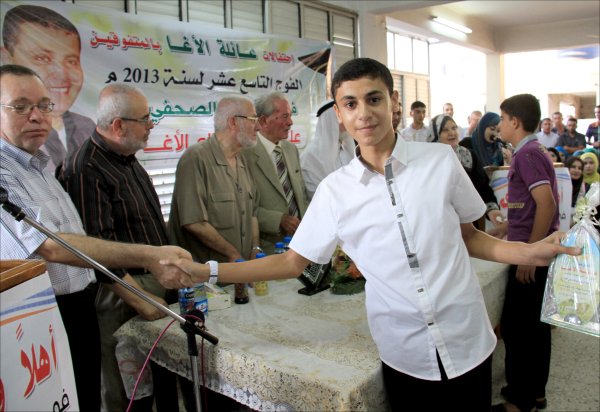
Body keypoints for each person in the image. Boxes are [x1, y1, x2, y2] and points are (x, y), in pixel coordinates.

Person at [159, 58, 579, 412]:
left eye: (374, 99)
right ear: (339, 116)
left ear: (393, 102)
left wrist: (526, 252)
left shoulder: (440, 161)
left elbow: (470, 237)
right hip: (405, 353)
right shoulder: (335, 191)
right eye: (350, 103)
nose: (364, 113)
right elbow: (291, 261)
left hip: (467, 338)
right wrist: (207, 270)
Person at [0, 64, 192, 411]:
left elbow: (77, 235)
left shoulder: (38, 165)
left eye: (44, 105)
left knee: (87, 395)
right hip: (44, 315)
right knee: (108, 393)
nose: (37, 116)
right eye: (21, 106)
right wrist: (148, 259)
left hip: (80, 305)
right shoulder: (27, 170)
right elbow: (52, 246)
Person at [57, 84, 180, 411]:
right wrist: (139, 297)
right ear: (118, 125)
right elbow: (95, 252)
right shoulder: (85, 169)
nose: (151, 125)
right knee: (128, 391)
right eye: (145, 119)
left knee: (161, 380)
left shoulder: (126, 158)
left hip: (152, 287)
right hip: (123, 294)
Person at [494, 93, 560, 412]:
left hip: (530, 255)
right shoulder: (530, 152)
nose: (500, 125)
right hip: (530, 248)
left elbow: (546, 204)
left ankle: (520, 401)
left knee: (518, 328)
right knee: (534, 326)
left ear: (515, 122)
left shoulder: (527, 155)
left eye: (502, 119)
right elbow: (529, 207)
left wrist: (530, 254)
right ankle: (534, 392)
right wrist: (507, 227)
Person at [1, 4, 95, 173]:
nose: (62, 74)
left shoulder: (87, 127)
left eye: (71, 61)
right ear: (7, 59)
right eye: (42, 58)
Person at [168, 95, 261, 263]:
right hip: (207, 273)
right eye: (253, 119)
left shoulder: (243, 159)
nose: (258, 127)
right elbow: (194, 222)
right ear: (233, 122)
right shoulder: (195, 158)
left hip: (242, 271)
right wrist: (233, 254)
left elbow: (252, 214)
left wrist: (255, 248)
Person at [243, 92, 309, 253]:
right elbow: (242, 208)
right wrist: (278, 220)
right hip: (268, 247)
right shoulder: (245, 155)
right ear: (263, 121)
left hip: (301, 243)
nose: (290, 122)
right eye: (285, 116)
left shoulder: (291, 149)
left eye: (290, 116)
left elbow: (300, 195)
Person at [429, 114, 506, 236]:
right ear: (435, 134)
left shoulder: (468, 155)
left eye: (454, 128)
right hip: (438, 222)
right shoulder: (428, 160)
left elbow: (482, 187)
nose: (452, 133)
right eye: (445, 130)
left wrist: (492, 209)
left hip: (467, 221)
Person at [301, 100, 356, 199]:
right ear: (331, 122)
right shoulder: (310, 157)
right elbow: (316, 195)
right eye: (343, 119)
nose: (348, 125)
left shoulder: (344, 150)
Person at [565, 156, 587, 223]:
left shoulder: (585, 187)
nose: (576, 170)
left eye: (580, 168)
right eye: (573, 167)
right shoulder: (559, 186)